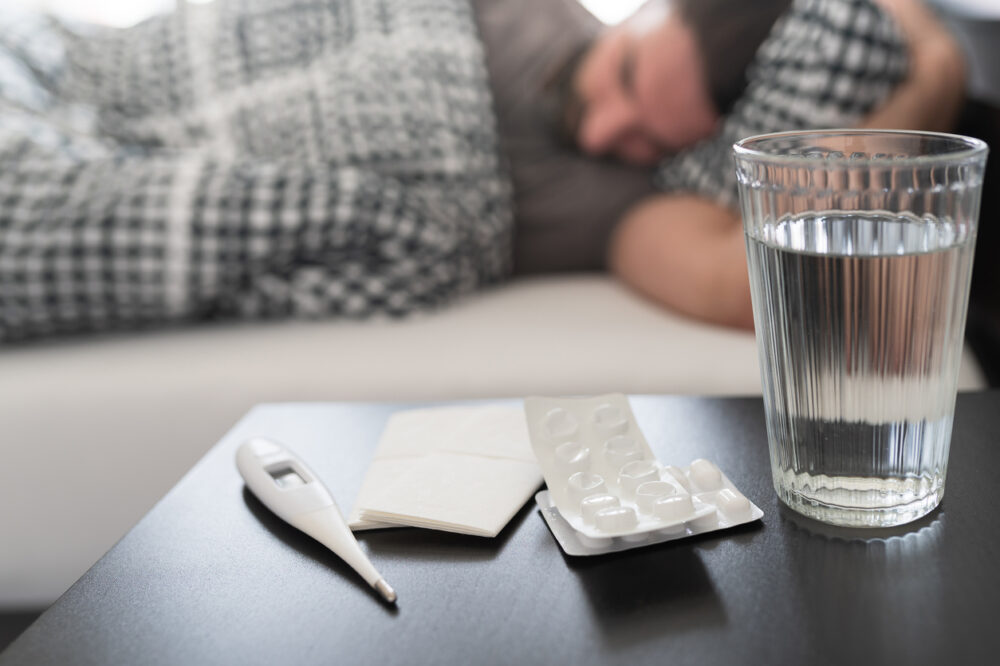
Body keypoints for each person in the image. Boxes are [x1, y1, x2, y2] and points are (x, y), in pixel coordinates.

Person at [0, 0, 964, 341]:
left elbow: (756, 280)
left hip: (119, 173)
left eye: (650, 136)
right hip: (75, 67)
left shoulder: (633, 206)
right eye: (629, 77)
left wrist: (935, 75)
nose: (611, 127)